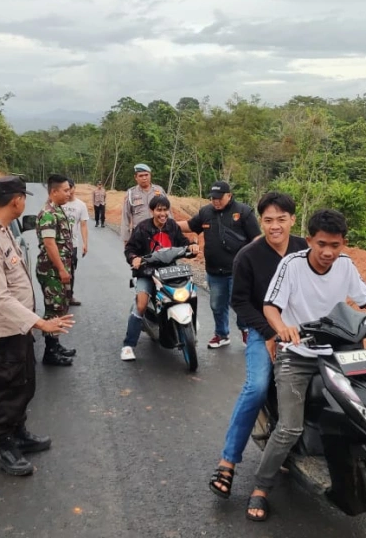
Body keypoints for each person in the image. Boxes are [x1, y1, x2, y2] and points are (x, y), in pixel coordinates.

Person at [245, 209, 366, 522]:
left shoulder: (345, 265)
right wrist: (282, 328)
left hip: (340, 351)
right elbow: (270, 306)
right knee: (289, 427)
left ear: (343, 244)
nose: (328, 252)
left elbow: (365, 299)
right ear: (309, 240)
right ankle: (261, 486)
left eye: (335, 245)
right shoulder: (292, 266)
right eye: (321, 244)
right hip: (298, 354)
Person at [208, 192, 307, 499]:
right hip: (260, 328)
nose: (275, 226)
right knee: (258, 386)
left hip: (302, 328)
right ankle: (228, 462)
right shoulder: (248, 256)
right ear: (260, 221)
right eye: (268, 220)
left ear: (292, 219)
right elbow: (239, 302)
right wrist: (269, 333)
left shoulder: (305, 248)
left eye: (281, 219)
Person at [0, 176, 74, 475]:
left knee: (25, 382)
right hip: (7, 328)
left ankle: (19, 432)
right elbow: (0, 297)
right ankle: (4, 444)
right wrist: (41, 322)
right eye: (23, 197)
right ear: (16, 200)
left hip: (19, 327)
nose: (24, 202)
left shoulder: (1, 229)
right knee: (9, 386)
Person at [181, 181, 260, 348]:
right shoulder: (206, 212)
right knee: (217, 305)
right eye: (213, 198)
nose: (215, 201)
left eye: (219, 198)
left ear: (229, 195)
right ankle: (221, 334)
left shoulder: (243, 212)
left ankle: (246, 332)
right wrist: (168, 223)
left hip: (238, 271)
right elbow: (190, 225)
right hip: (214, 271)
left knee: (240, 304)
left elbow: (256, 238)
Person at [120, 194, 199, 361]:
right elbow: (130, 249)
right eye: (159, 210)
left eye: (165, 210)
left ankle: (188, 329)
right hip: (147, 272)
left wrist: (191, 247)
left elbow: (183, 242)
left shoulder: (172, 226)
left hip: (170, 271)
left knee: (188, 294)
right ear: (152, 211)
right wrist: (134, 257)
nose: (162, 214)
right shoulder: (142, 228)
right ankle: (128, 345)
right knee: (141, 305)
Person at [36, 174, 76, 366]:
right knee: (54, 309)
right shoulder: (48, 213)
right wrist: (61, 269)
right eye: (66, 190)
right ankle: (50, 353)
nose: (69, 193)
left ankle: (56, 344)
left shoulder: (57, 209)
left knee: (60, 307)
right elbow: (49, 243)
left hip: (59, 268)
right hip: (51, 270)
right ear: (54, 191)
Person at [120, 163, 166, 242]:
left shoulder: (159, 191)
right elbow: (125, 217)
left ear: (150, 175)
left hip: (158, 233)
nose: (144, 178)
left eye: (146, 175)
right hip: (139, 235)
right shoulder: (131, 193)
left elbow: (168, 213)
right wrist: (126, 240)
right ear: (136, 177)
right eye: (141, 176)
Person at [62, 178, 90, 306]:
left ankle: (69, 295)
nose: (69, 192)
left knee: (71, 269)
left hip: (72, 243)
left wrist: (85, 243)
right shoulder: (59, 203)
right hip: (58, 243)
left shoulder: (81, 205)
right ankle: (58, 295)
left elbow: (83, 225)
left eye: (70, 188)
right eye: (66, 189)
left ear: (74, 188)